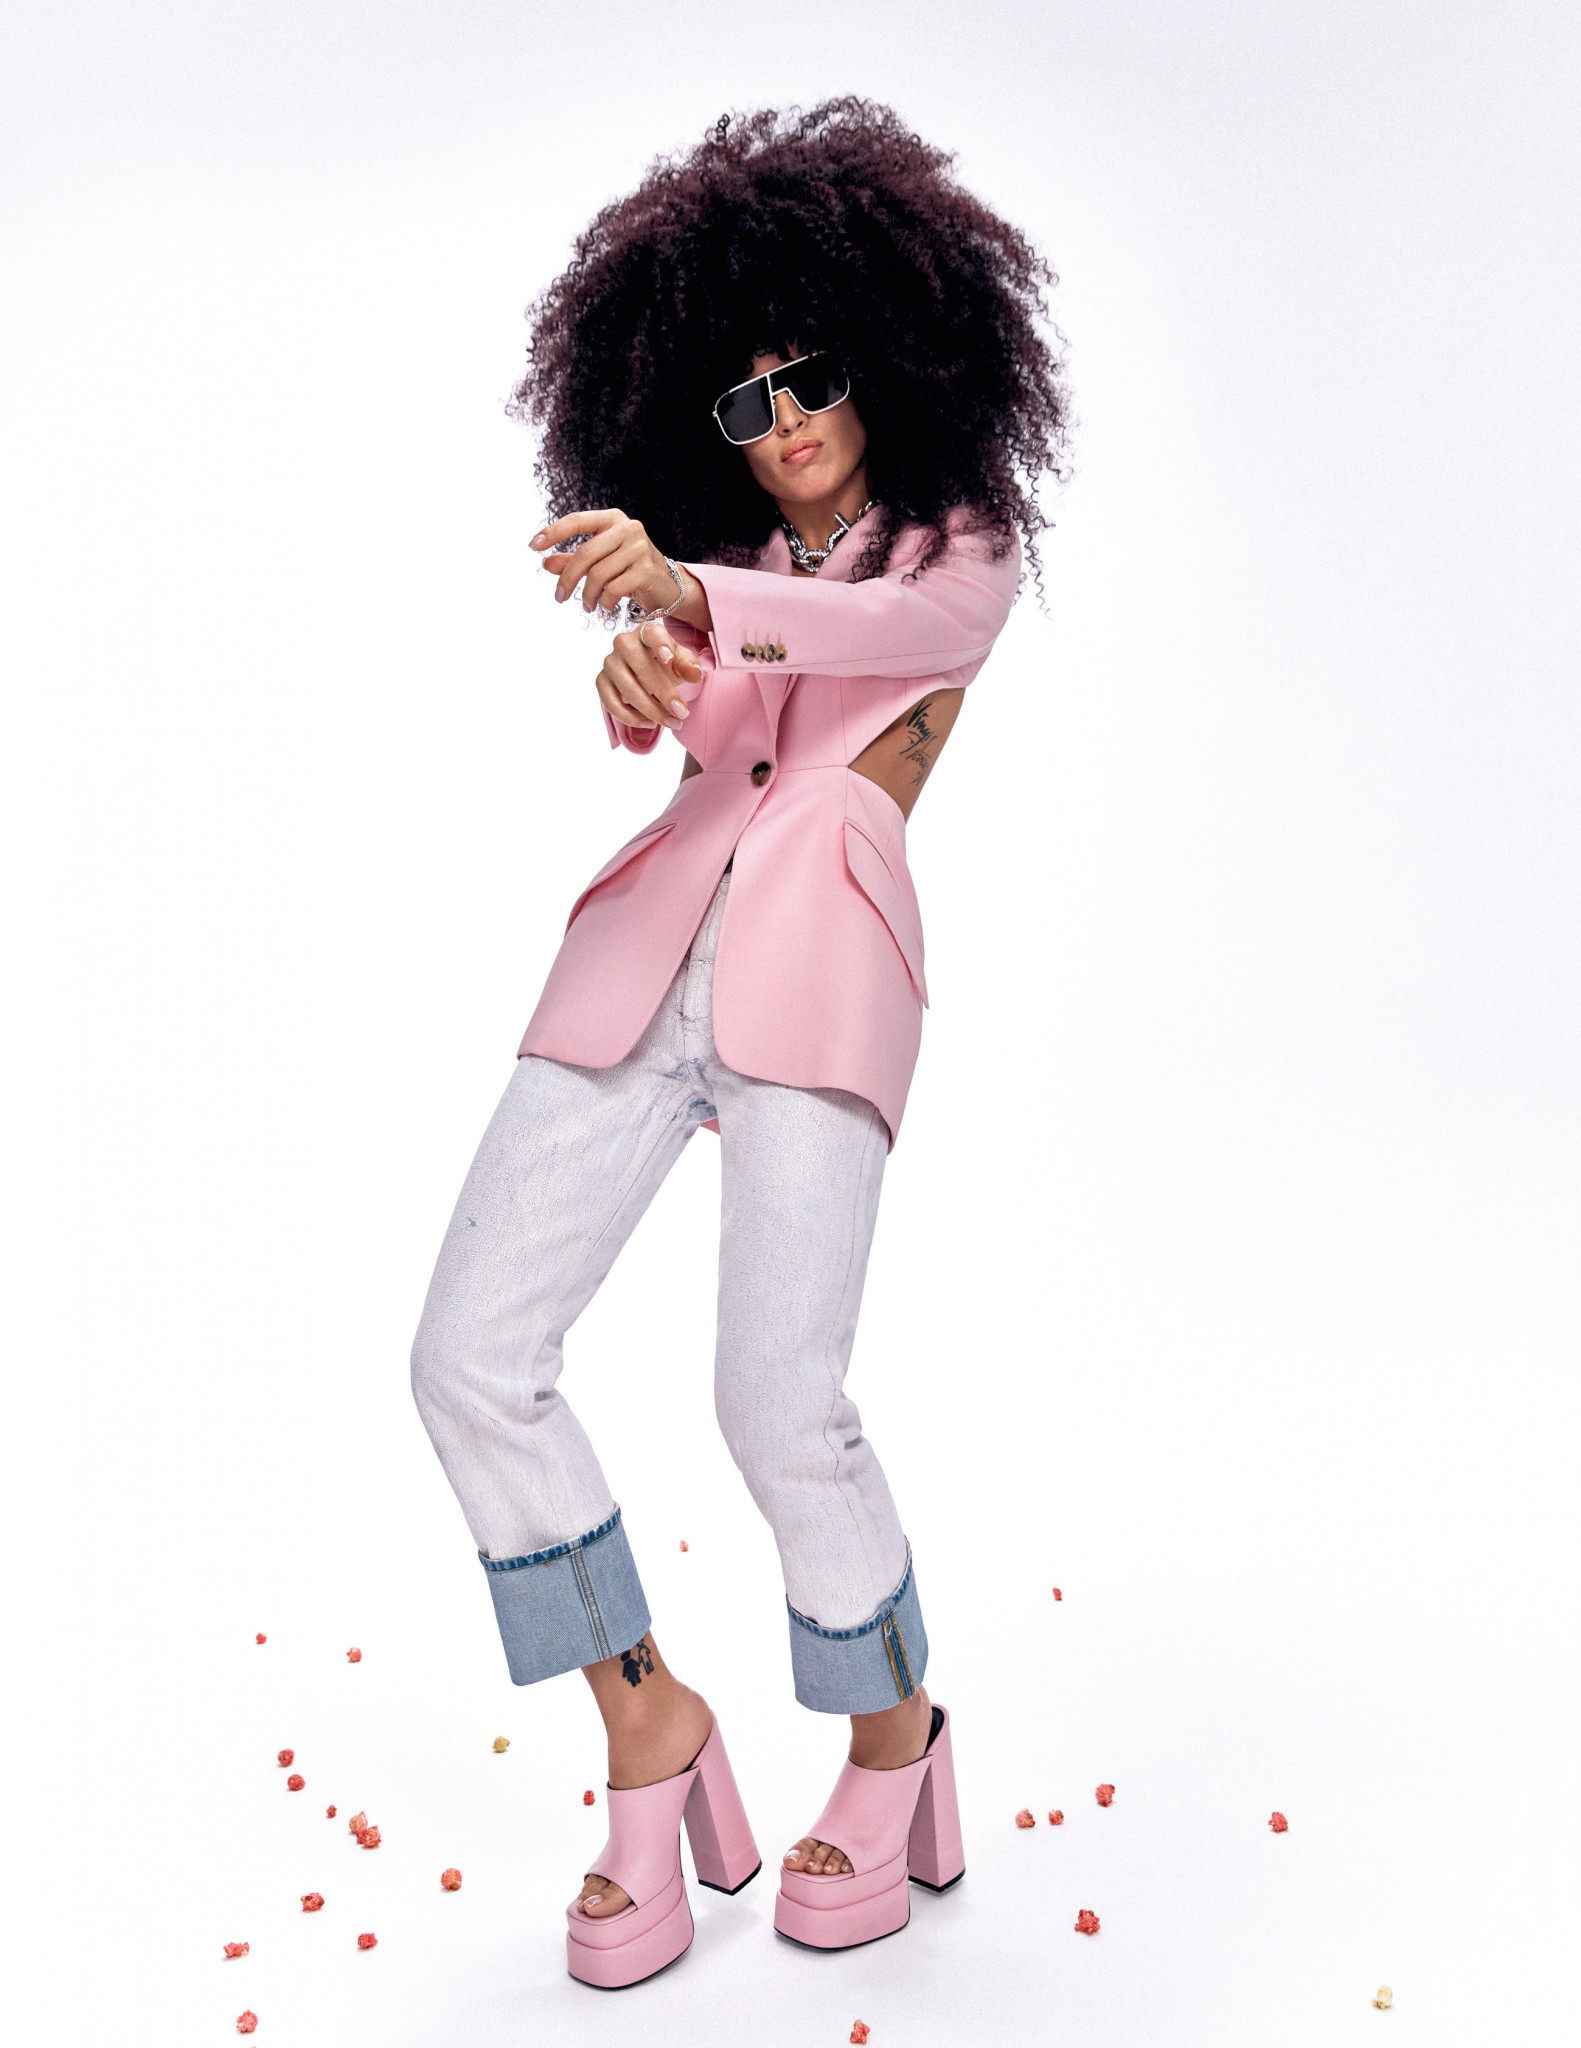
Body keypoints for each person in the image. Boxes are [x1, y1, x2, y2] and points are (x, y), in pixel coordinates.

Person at [410, 97, 1070, 1987]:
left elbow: (841, 636)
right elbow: (694, 698)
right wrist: (642, 661)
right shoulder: (718, 568)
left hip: (821, 975)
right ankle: (649, 1723)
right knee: (468, 1357)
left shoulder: (961, 553)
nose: (780, 421)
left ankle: (894, 1739)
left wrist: (688, 597)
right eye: (740, 398)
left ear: (894, 365)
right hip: (639, 966)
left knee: (778, 1401)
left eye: (810, 379)